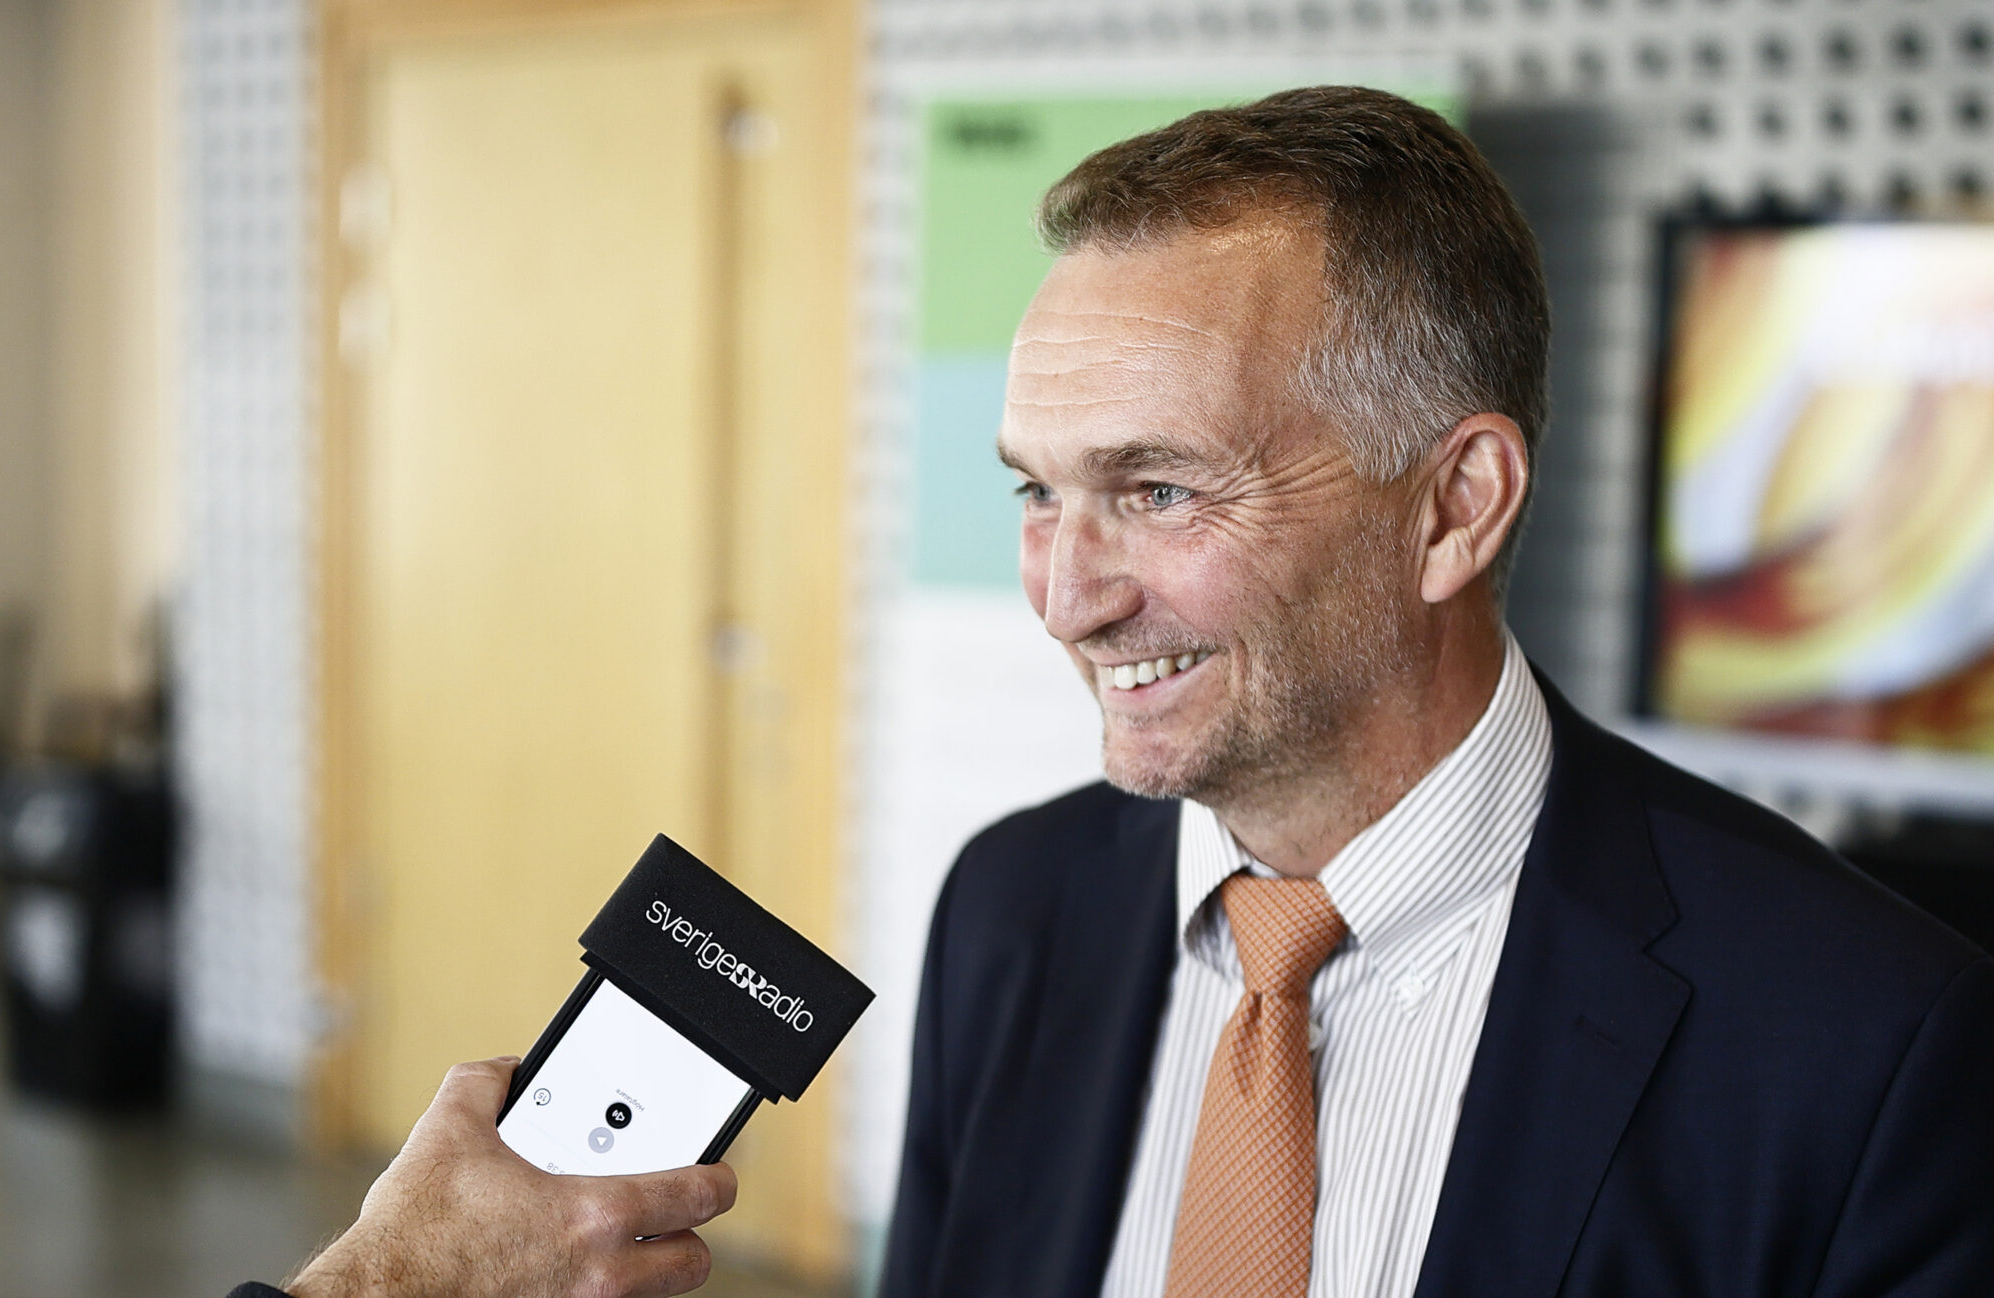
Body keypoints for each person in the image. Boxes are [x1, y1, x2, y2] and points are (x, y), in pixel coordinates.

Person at [236, 86, 1994, 1298]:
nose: (1069, 596)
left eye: (1156, 488)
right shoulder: (1015, 906)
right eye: (1038, 489)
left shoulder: (1870, 1044)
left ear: (1455, 505)